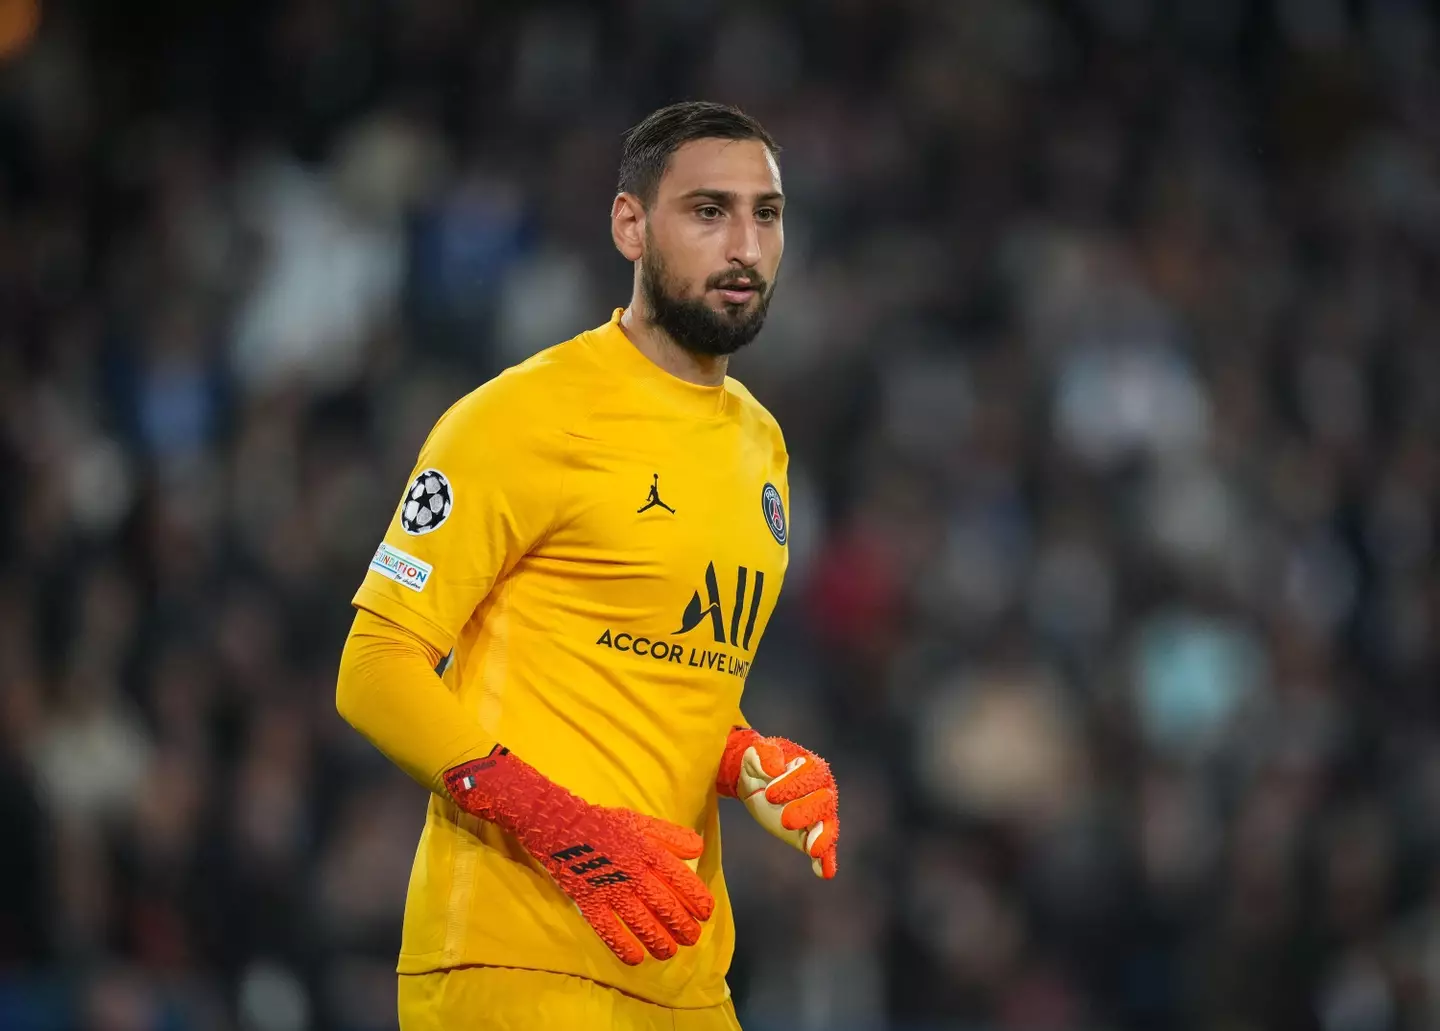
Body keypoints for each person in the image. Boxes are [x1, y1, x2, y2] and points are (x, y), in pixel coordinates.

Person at [336, 101, 840, 1031]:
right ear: (630, 225)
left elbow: (662, 671)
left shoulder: (761, 446)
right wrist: (556, 823)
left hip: (679, 966)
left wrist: (745, 760)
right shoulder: (518, 417)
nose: (743, 244)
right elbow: (374, 667)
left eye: (765, 214)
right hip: (512, 954)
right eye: (707, 210)